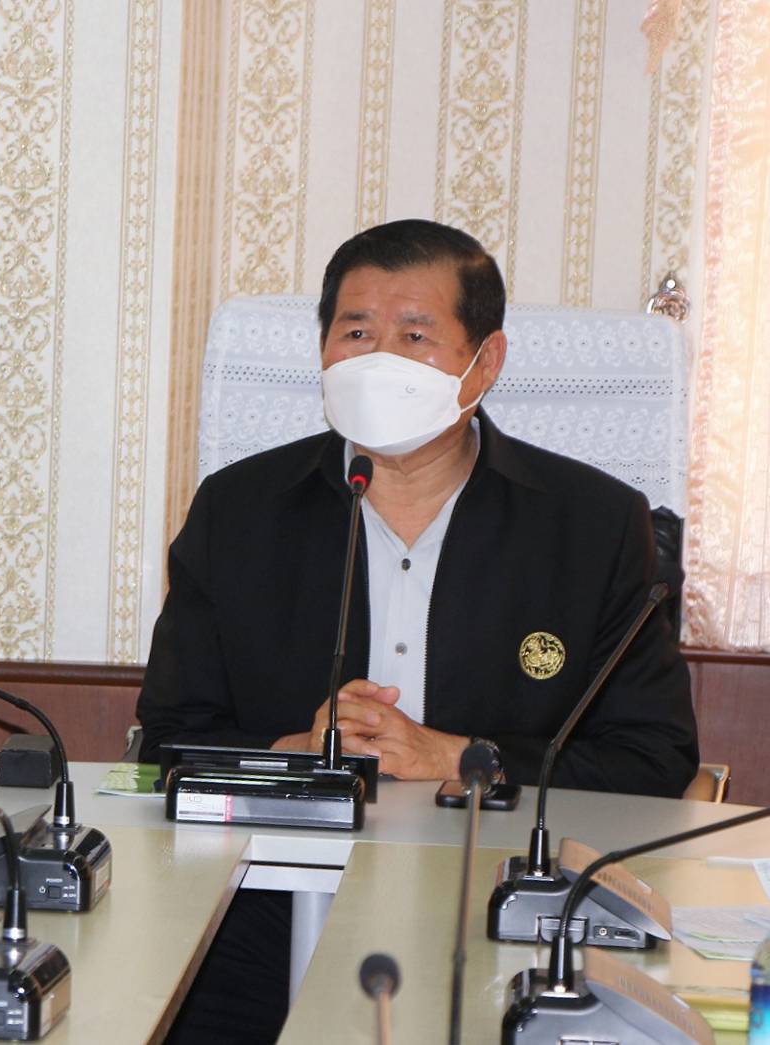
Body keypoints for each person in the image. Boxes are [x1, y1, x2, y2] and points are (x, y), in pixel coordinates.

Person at [137, 218, 698, 1042]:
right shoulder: (238, 511)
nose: (378, 358)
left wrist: (457, 758)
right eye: (355, 331)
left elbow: (652, 757)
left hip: (502, 907)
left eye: (413, 335)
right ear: (322, 349)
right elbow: (165, 738)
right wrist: (294, 754)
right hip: (259, 910)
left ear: (485, 362)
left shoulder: (591, 525)